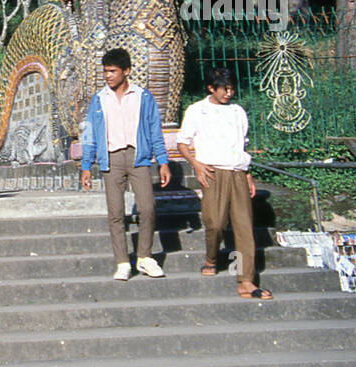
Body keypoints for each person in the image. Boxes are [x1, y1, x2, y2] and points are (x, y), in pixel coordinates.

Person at [177, 66, 273, 300]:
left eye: (232, 88)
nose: (229, 93)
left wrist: (247, 174)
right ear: (211, 88)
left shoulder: (237, 111)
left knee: (243, 228)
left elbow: (241, 145)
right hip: (212, 172)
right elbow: (182, 142)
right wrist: (197, 165)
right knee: (216, 223)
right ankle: (211, 258)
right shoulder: (197, 110)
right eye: (224, 89)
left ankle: (246, 280)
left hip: (237, 172)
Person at [79, 48, 172, 281]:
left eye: (112, 71)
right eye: (105, 72)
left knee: (147, 207)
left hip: (138, 157)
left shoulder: (143, 97)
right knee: (116, 213)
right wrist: (86, 165)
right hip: (111, 159)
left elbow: (154, 131)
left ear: (126, 71)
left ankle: (144, 257)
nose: (108, 76)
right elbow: (90, 134)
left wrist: (162, 161)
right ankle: (122, 262)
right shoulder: (99, 99)